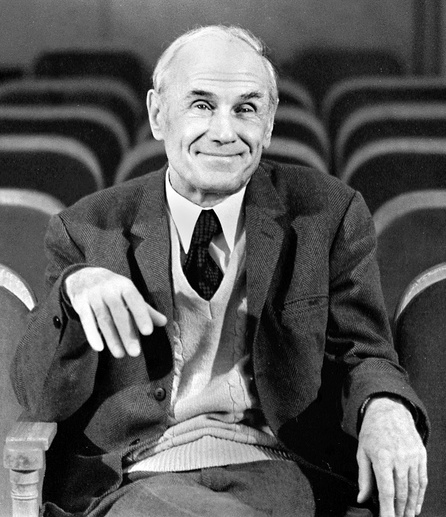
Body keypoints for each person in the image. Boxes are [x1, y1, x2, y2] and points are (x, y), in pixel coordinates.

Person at [12, 25, 428, 517]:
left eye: (246, 109)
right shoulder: (87, 228)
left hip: (282, 468)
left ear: (269, 123)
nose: (225, 132)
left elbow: (367, 353)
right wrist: (73, 295)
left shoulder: (328, 214)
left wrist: (384, 405)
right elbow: (37, 396)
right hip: (140, 474)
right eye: (201, 105)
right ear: (158, 114)